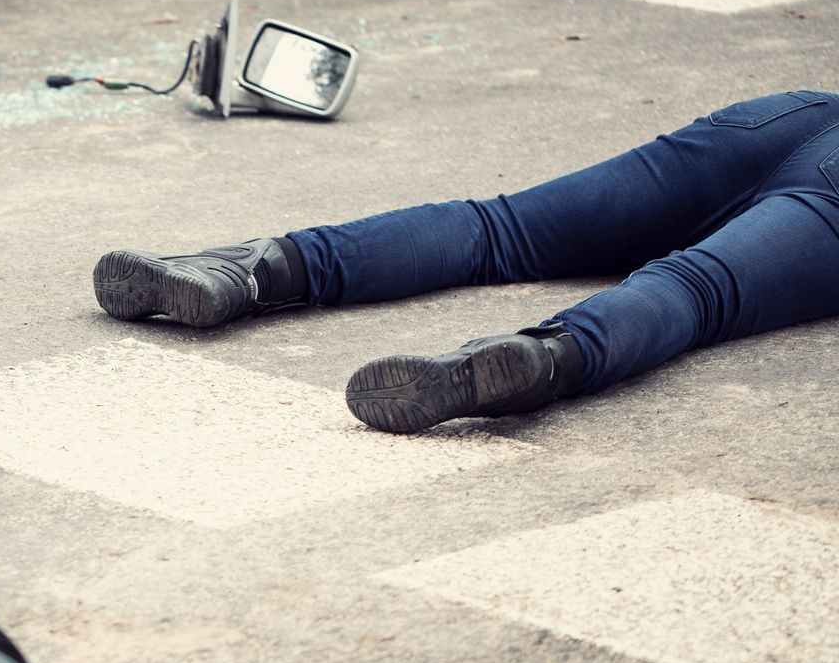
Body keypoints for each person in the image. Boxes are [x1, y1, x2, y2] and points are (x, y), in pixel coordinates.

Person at [92, 90, 839, 433]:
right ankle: (539, 358)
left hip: (798, 115)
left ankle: (250, 270)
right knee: (695, 289)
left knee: (501, 227)